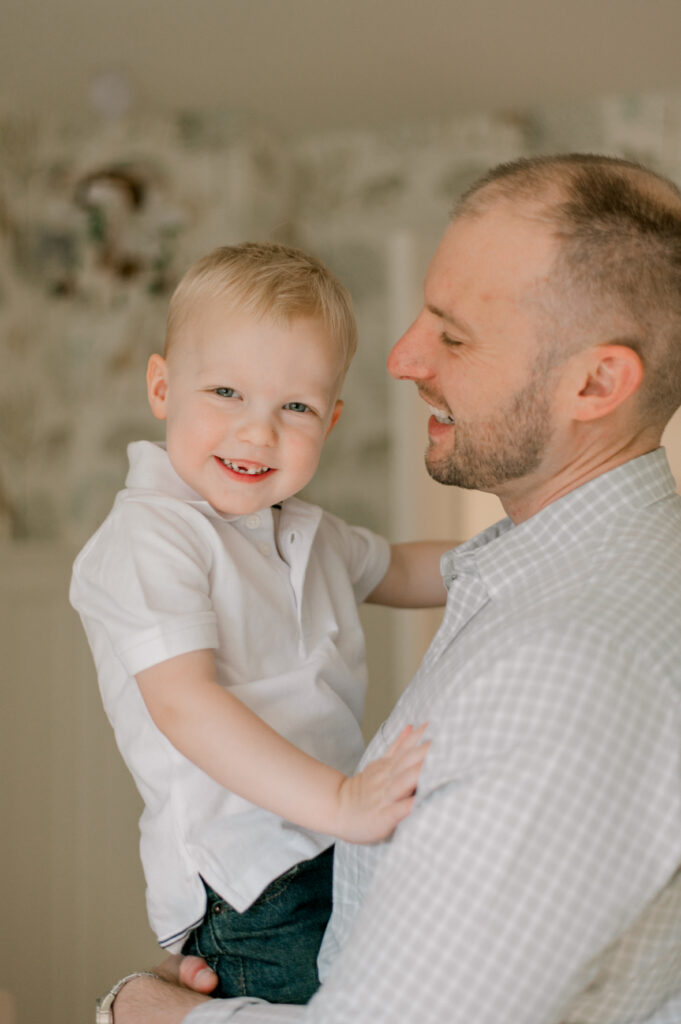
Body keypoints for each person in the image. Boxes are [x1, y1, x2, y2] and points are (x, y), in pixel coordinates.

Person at [105, 153, 681, 1024]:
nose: (404, 358)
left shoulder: (563, 670)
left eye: (453, 334)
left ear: (595, 382)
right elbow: (184, 702)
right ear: (162, 386)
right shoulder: (552, 581)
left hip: (292, 862)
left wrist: (140, 1013)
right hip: (264, 872)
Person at [71, 243, 447, 1006]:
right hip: (248, 877)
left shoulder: (302, 527)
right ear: (161, 386)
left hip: (323, 842)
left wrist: (523, 545)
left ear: (331, 420)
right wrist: (339, 801)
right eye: (225, 392)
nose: (257, 432)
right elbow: (186, 705)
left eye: (295, 407)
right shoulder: (153, 536)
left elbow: (407, 570)